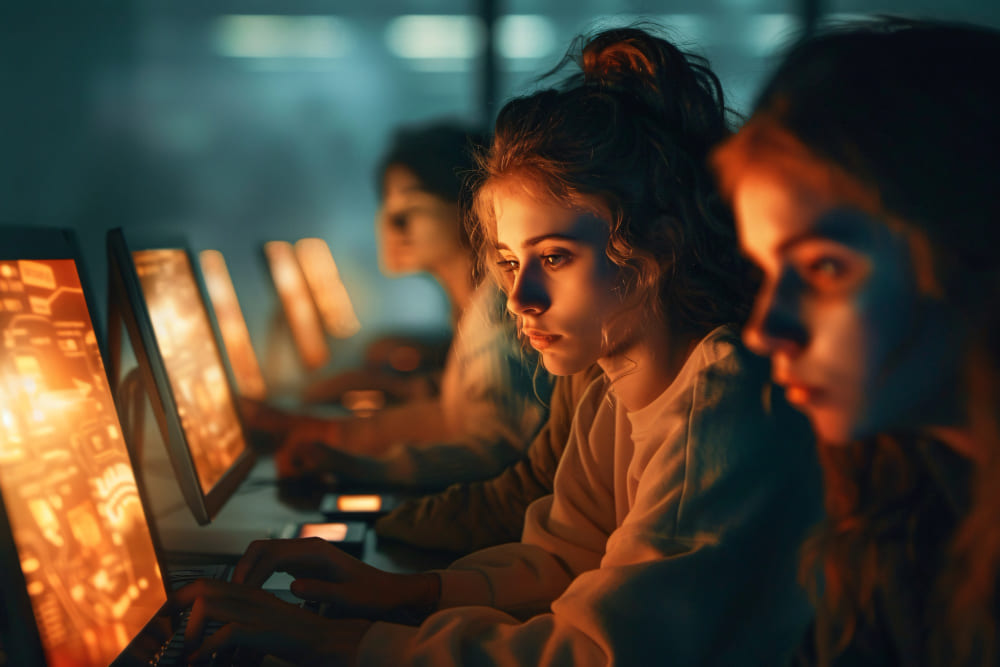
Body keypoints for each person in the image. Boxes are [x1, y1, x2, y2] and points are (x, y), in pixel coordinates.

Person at [175, 26, 823, 666]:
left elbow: (592, 654)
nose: (521, 297)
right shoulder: (611, 384)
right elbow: (564, 557)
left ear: (660, 247)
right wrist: (404, 591)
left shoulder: (719, 403)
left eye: (557, 257)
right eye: (511, 261)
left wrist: (334, 641)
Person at [711, 18, 1000, 666]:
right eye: (764, 271)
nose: (763, 330)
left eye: (824, 267)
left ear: (972, 247)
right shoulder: (900, 502)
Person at [246, 121, 553, 491]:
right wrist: (322, 430)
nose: (393, 223)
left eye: (413, 203)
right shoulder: (478, 307)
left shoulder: (499, 311)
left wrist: (358, 468)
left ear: (475, 203)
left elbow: (494, 446)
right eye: (387, 204)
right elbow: (459, 412)